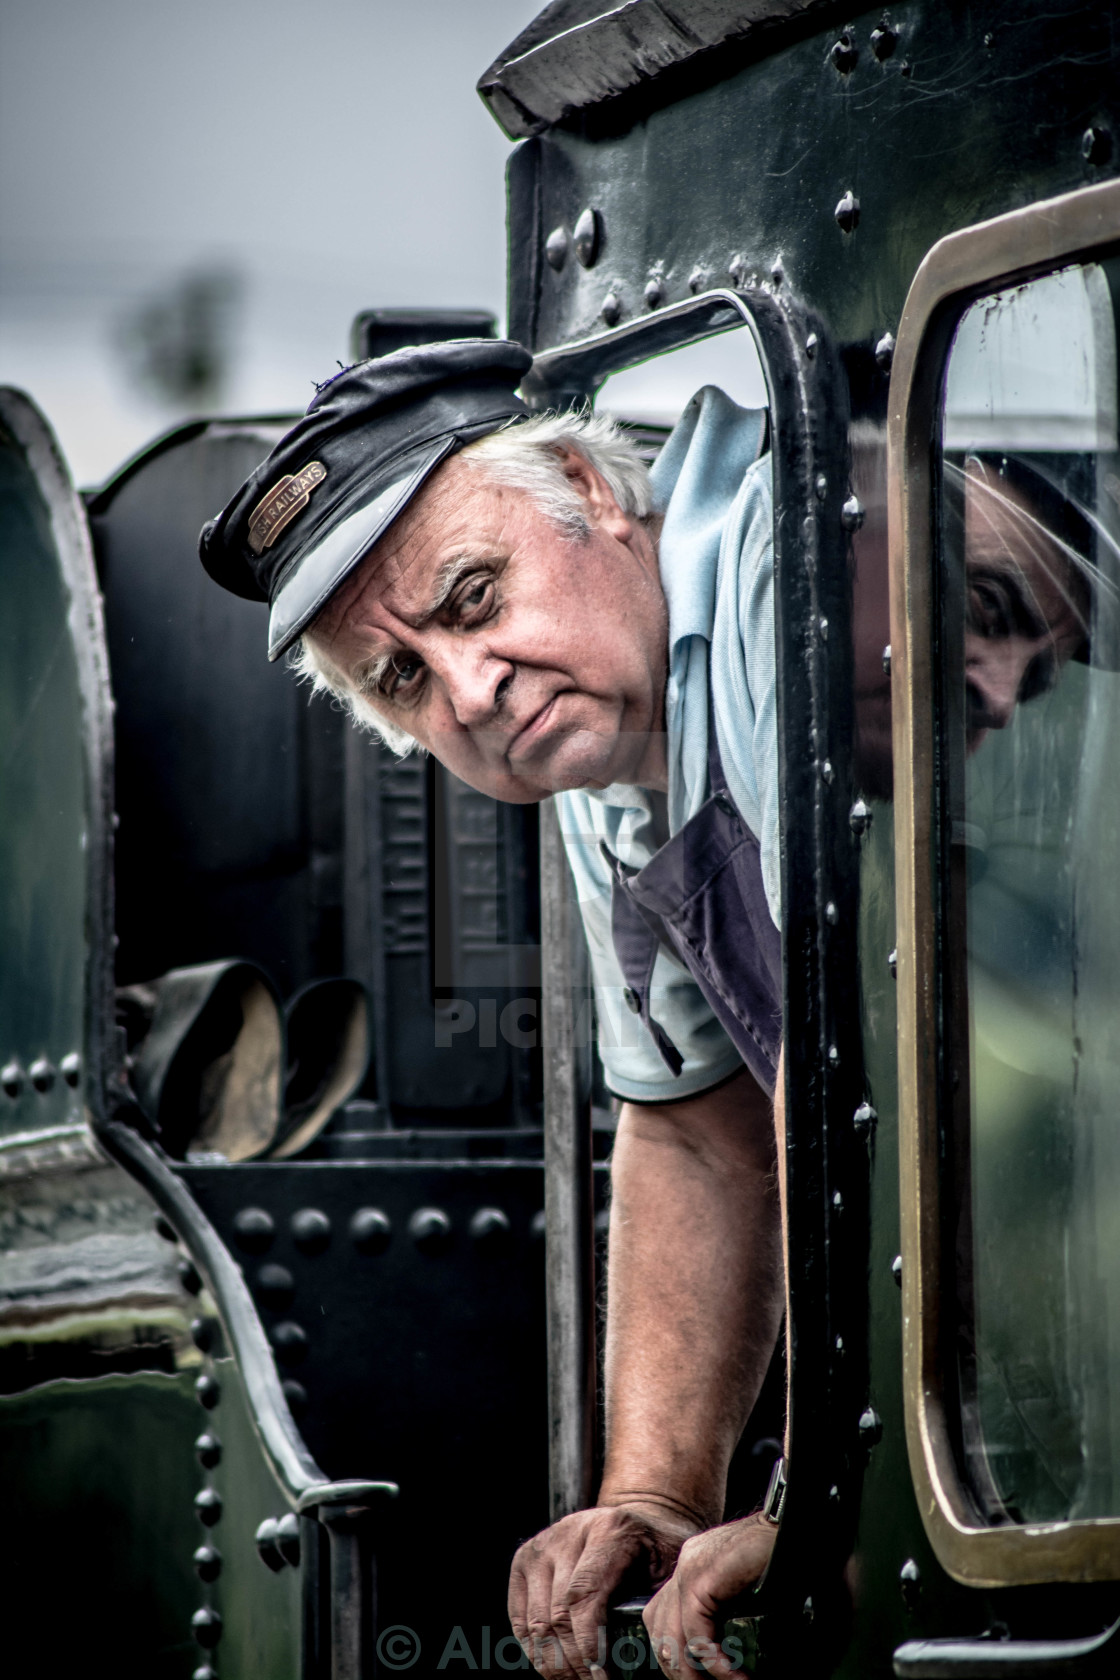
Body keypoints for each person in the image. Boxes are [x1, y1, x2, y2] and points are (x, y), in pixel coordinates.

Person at [200, 338, 790, 1678]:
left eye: (474, 595)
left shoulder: (782, 585)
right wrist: (655, 1498)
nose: (470, 692)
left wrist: (831, 1498)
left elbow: (959, 1081)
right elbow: (699, 1125)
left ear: (589, 484)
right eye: (404, 681)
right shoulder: (613, 765)